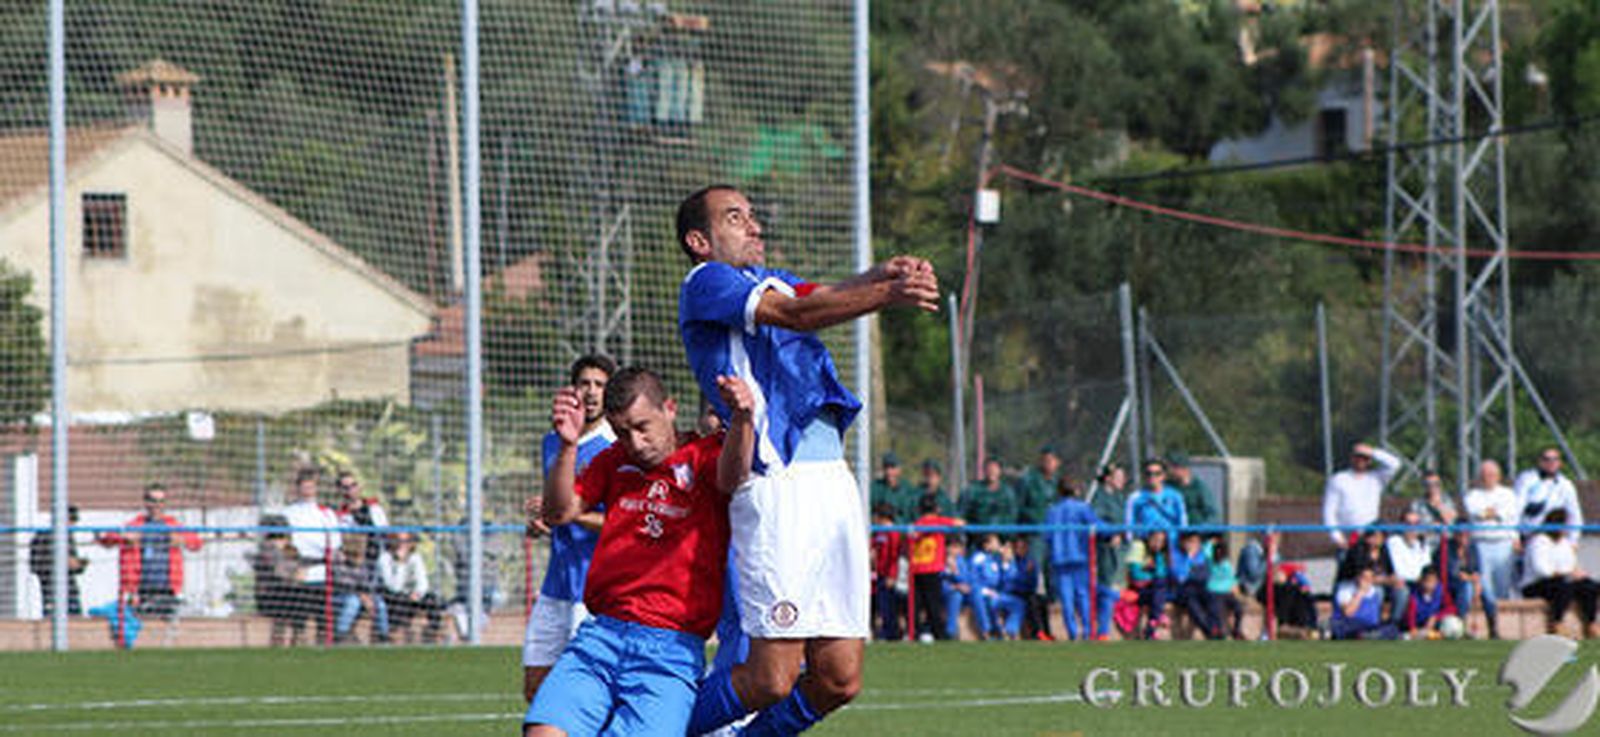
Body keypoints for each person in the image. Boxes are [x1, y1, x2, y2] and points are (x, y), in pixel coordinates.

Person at [675, 184, 938, 736]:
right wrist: (888, 295)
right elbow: (798, 314)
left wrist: (878, 273)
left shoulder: (764, 279)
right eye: (734, 217)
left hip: (831, 481)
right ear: (699, 240)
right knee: (770, 677)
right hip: (779, 484)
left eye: (752, 214)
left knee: (839, 679)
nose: (754, 225)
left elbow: (817, 292)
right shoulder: (706, 283)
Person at [523, 367, 753, 737]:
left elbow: (733, 476)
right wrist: (567, 447)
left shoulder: (703, 455)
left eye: (642, 426)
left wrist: (743, 418)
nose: (635, 442)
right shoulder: (614, 460)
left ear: (670, 408)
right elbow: (558, 512)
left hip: (670, 650)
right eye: (622, 432)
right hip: (601, 635)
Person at [525, 354, 616, 703]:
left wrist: (566, 513)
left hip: (591, 591)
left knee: (583, 696)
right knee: (534, 687)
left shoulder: (615, 449)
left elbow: (619, 524)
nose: (591, 392)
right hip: (554, 587)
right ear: (572, 390)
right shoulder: (553, 442)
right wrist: (539, 523)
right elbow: (554, 516)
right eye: (584, 383)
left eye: (600, 385)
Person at [96, 483, 203, 647]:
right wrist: (125, 537)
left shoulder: (172, 525)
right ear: (145, 502)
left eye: (161, 501)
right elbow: (106, 539)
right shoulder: (136, 524)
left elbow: (196, 542)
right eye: (153, 500)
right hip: (139, 589)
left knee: (172, 618)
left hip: (167, 586)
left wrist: (181, 540)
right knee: (128, 617)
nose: (157, 506)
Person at [282, 468, 342, 644]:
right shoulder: (288, 513)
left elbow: (335, 545)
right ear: (298, 487)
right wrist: (295, 564)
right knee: (298, 616)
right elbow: (284, 542)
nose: (308, 489)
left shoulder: (326, 513)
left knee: (322, 614)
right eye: (304, 485)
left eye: (311, 485)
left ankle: (323, 643)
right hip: (297, 569)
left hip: (321, 570)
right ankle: (298, 639)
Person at [1520, 509, 1600, 638]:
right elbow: (1542, 570)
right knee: (1564, 586)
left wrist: (1577, 574)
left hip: (1561, 580)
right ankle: (1557, 623)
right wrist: (1567, 573)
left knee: (1589, 586)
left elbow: (1570, 564)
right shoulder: (1539, 541)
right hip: (1535, 584)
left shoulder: (1565, 543)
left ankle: (1591, 624)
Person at [1464, 459, 1517, 639]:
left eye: (1492, 474)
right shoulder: (1473, 495)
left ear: (1499, 476)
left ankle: (1501, 627)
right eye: (1485, 475)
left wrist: (1489, 513)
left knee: (1502, 587)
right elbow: (1476, 512)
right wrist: (1494, 513)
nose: (1489, 478)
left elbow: (1508, 514)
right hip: (1481, 543)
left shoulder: (1508, 494)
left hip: (1503, 543)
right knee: (1485, 587)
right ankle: (1492, 625)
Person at [1046, 475, 1102, 641]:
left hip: (1060, 559)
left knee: (1067, 598)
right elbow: (1097, 526)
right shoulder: (1082, 508)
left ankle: (1072, 632)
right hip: (1079, 558)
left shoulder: (1052, 510)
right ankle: (1087, 631)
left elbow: (1047, 536)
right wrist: (1117, 531)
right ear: (1076, 490)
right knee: (1083, 595)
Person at [1322, 443, 1401, 552]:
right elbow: (1329, 512)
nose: (1361, 461)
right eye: (1358, 457)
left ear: (1370, 460)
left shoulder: (1376, 478)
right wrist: (1337, 538)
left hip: (1373, 536)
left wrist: (1372, 452)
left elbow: (1395, 464)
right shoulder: (1338, 479)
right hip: (1348, 537)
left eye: (1365, 458)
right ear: (1351, 458)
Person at [907, 494, 961, 641]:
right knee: (933, 604)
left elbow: (910, 537)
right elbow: (959, 523)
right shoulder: (938, 521)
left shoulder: (917, 523)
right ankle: (939, 635)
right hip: (931, 569)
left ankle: (913, 634)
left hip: (916, 569)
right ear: (936, 508)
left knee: (916, 605)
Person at [1087, 463, 1132, 639]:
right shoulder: (1100, 498)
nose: (1122, 480)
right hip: (1104, 551)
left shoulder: (1120, 497)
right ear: (1108, 479)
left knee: (1112, 589)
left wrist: (1123, 534)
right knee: (1104, 589)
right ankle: (1101, 631)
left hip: (1119, 551)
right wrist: (1111, 533)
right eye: (1118, 477)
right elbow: (1095, 522)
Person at [380, 531, 444, 644]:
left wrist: (418, 593)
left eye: (406, 542)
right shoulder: (384, 559)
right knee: (398, 598)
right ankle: (395, 634)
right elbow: (393, 586)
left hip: (412, 596)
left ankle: (435, 633)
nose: (402, 545)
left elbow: (423, 581)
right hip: (393, 596)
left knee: (432, 599)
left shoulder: (415, 558)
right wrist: (400, 562)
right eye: (399, 541)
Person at [251, 515, 303, 647]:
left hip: (286, 591)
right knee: (293, 597)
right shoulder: (268, 549)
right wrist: (294, 574)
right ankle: (280, 641)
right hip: (270, 595)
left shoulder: (290, 549)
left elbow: (298, 568)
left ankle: (297, 639)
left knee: (303, 595)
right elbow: (279, 572)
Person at [1515, 447, 1584, 541]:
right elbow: (1516, 509)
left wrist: (1573, 540)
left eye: (1555, 459)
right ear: (1540, 461)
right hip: (1529, 536)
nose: (1551, 462)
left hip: (1555, 538)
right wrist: (1515, 538)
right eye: (1546, 459)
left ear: (1560, 463)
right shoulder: (1526, 479)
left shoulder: (1566, 485)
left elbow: (1575, 515)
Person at [30, 505, 86, 617]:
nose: (72, 525)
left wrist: (78, 564)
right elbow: (37, 564)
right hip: (52, 587)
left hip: (68, 587)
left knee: (74, 616)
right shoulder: (44, 536)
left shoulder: (68, 536)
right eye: (71, 521)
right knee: (54, 616)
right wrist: (63, 563)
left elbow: (73, 564)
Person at [1384, 511, 1430, 632]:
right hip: (1402, 584)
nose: (1412, 528)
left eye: (1416, 524)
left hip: (1419, 584)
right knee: (1402, 590)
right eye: (1408, 523)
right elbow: (1400, 571)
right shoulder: (1394, 542)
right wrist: (1418, 577)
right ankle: (1394, 626)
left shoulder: (1423, 545)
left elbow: (1426, 569)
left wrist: (1422, 579)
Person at [1330, 565, 1400, 641]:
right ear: (1357, 577)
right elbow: (1348, 612)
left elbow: (1380, 615)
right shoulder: (1346, 589)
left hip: (1369, 626)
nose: (1367, 581)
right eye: (1364, 577)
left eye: (1369, 578)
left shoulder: (1374, 591)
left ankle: (1368, 635)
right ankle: (1364, 636)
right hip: (1350, 623)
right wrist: (1360, 592)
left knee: (1392, 629)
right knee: (1343, 626)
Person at [1126, 529, 1174, 640]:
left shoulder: (1161, 553)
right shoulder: (1139, 546)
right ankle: (1157, 617)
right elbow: (1136, 574)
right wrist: (1152, 576)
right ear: (1149, 537)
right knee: (1159, 586)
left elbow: (1161, 573)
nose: (1158, 544)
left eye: (1162, 542)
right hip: (1137, 590)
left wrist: (1157, 556)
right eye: (1155, 540)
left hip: (1154, 590)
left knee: (1159, 587)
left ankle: (1152, 625)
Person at [1171, 531, 1220, 639]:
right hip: (1183, 591)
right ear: (1183, 542)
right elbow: (1180, 577)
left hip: (1199, 588)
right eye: (1191, 542)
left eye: (1197, 542)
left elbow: (1206, 575)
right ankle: (1210, 632)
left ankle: (1216, 628)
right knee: (1192, 602)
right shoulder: (1175, 555)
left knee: (1212, 596)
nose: (1194, 545)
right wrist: (1189, 559)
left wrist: (1194, 573)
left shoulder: (1201, 556)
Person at [869, 503, 906, 641]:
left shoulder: (893, 532)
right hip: (879, 573)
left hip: (888, 574)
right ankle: (886, 631)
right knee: (882, 605)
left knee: (890, 606)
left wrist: (892, 575)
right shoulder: (878, 532)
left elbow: (894, 556)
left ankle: (893, 634)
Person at [1005, 536, 1051, 640]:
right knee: (1032, 602)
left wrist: (1027, 575)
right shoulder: (1011, 561)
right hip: (1014, 591)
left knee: (1041, 601)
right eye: (1018, 548)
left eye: (1023, 547)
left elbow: (1033, 580)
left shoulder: (1031, 561)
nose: (1021, 550)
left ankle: (1047, 632)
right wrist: (1024, 575)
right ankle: (1037, 633)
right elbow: (1010, 580)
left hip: (1027, 590)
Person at [1125, 460, 1187, 536]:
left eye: (1157, 473)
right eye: (1148, 473)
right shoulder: (1135, 498)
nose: (1152, 477)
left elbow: (1183, 523)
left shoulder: (1175, 496)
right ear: (1144, 475)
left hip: (1171, 542)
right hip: (1146, 541)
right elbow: (1129, 525)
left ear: (1164, 476)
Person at [961, 457, 1019, 536]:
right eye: (989, 468)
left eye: (995, 468)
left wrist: (1002, 539)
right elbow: (962, 514)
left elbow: (1012, 517)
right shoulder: (972, 490)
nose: (992, 471)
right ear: (984, 470)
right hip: (977, 539)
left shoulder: (1008, 492)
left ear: (1000, 471)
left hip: (1001, 541)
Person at [940, 538, 985, 640]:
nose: (957, 550)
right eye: (954, 547)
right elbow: (938, 581)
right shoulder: (941, 560)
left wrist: (957, 574)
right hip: (948, 592)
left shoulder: (961, 561)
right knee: (956, 596)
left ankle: (985, 630)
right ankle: (950, 632)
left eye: (958, 547)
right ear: (947, 548)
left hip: (963, 591)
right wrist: (955, 584)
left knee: (976, 592)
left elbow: (967, 578)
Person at [1165, 452, 1218, 531]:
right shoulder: (1168, 486)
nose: (1170, 472)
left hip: (1195, 531)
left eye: (1174, 468)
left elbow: (1212, 514)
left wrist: (1202, 530)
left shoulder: (1199, 487)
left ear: (1183, 469)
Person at [1205, 539, 1244, 640]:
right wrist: (1210, 542)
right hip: (1214, 592)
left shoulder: (1227, 565)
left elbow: (1233, 580)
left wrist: (1236, 590)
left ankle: (1236, 630)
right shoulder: (1211, 563)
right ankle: (1217, 632)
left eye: (1221, 551)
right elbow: (1205, 551)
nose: (1219, 553)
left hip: (1227, 593)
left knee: (1239, 609)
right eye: (1217, 551)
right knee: (1216, 611)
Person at [870, 453, 919, 524]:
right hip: (879, 530)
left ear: (899, 469)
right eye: (886, 467)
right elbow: (868, 512)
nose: (889, 472)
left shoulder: (908, 489)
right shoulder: (875, 487)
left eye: (893, 467)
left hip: (901, 532)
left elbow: (912, 516)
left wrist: (894, 522)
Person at [1407, 566, 1452, 638]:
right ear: (1421, 580)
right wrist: (1412, 628)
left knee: (1451, 622)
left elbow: (1451, 608)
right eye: (1427, 581)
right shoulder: (1414, 595)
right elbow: (1411, 613)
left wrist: (1435, 617)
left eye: (1432, 581)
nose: (1429, 585)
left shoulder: (1441, 591)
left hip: (1435, 623)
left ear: (1437, 581)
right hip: (1419, 625)